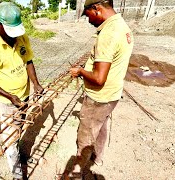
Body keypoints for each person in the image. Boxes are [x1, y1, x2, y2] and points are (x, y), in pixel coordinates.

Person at [69, 0, 134, 176]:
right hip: (112, 95)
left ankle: (76, 173)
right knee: (101, 126)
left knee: (86, 136)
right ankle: (98, 157)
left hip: (98, 97)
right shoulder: (122, 25)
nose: (88, 20)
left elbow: (99, 78)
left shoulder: (108, 33)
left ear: (96, 8)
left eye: (87, 14)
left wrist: (81, 71)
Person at [0, 2, 43, 179]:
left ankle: (16, 149)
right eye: (10, 31)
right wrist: (9, 96)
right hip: (8, 102)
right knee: (10, 138)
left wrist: (36, 84)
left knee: (19, 128)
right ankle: (17, 175)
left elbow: (28, 61)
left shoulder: (22, 37)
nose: (14, 37)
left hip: (25, 95)